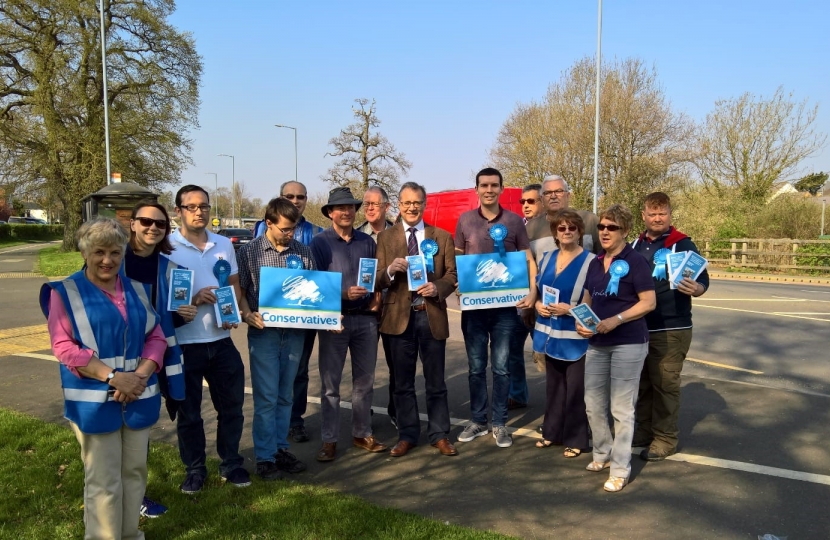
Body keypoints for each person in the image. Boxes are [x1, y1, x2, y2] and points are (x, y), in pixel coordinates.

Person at [41, 217, 167, 539]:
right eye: (99, 252)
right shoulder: (64, 292)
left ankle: (130, 535)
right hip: (94, 403)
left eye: (114, 252)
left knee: (135, 474)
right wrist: (114, 377)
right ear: (84, 253)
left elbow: (156, 337)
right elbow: (63, 346)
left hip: (137, 395)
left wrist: (138, 376)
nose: (107, 260)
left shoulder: (138, 290)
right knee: (104, 480)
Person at [167, 185, 250, 494]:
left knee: (232, 409)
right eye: (191, 207)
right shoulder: (166, 246)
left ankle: (231, 463)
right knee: (189, 414)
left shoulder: (223, 244)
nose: (199, 211)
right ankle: (195, 469)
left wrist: (234, 310)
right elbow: (164, 295)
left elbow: (233, 282)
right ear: (178, 211)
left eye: (203, 206)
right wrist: (195, 297)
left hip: (220, 340)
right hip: (184, 343)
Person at [575, 204, 656, 492]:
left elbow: (648, 302)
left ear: (625, 232)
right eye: (602, 227)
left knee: (622, 409)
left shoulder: (635, 262)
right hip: (597, 342)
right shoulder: (595, 262)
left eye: (612, 228)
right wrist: (582, 321)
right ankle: (602, 453)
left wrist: (616, 320)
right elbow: (587, 298)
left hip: (629, 343)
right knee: (594, 405)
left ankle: (620, 469)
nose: (605, 232)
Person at [125, 200, 198, 518]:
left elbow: (170, 322)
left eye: (160, 224)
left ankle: (135, 494)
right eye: (145, 221)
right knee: (116, 434)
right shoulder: (114, 260)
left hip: (154, 359)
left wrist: (184, 313)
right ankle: (122, 494)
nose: (153, 227)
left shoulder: (172, 271)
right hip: (115, 360)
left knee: (139, 429)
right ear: (132, 224)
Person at [455, 167, 537, 449]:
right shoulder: (465, 220)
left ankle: (499, 423)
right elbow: (457, 258)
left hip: (505, 310)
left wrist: (533, 290)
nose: (489, 190)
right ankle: (478, 420)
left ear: (502, 189)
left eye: (494, 185)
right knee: (476, 368)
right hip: (474, 309)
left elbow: (527, 259)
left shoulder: (515, 222)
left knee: (501, 369)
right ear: (476, 189)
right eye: (484, 185)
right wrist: (457, 283)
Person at [375, 182, 459, 458]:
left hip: (429, 314)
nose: (412, 207)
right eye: (407, 202)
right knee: (402, 383)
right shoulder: (386, 238)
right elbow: (374, 279)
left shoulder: (441, 237)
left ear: (424, 205)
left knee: (436, 381)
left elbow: (451, 275)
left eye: (417, 202)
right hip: (398, 318)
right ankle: (407, 435)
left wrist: (439, 288)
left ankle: (439, 434)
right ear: (399, 204)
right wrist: (389, 270)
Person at [237, 197, 316, 480]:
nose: (290, 234)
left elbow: (313, 291)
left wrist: (327, 315)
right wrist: (247, 315)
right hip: (264, 334)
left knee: (286, 395)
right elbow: (242, 292)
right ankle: (265, 457)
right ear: (268, 223)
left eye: (293, 229)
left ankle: (281, 449)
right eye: (285, 229)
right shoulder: (249, 252)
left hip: (294, 333)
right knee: (267, 397)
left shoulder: (304, 252)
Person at [631, 192, 709, 461]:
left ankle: (664, 439)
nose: (657, 218)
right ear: (644, 215)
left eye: (662, 213)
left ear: (670, 214)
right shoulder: (635, 244)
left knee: (665, 385)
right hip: (639, 326)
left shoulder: (683, 244)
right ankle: (643, 431)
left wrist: (697, 288)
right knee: (642, 384)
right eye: (652, 213)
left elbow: (703, 282)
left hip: (671, 328)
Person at [311, 187, 387, 462]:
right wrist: (342, 295)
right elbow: (314, 284)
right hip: (335, 320)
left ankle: (361, 433)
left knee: (364, 382)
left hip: (365, 319)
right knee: (330, 386)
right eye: (340, 208)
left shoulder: (368, 242)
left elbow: (376, 276)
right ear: (330, 212)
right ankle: (329, 440)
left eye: (350, 207)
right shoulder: (320, 243)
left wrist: (377, 300)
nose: (346, 212)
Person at [532, 209, 594, 457]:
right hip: (548, 335)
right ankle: (552, 432)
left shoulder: (592, 262)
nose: (567, 231)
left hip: (575, 336)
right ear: (555, 232)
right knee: (554, 388)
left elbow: (595, 302)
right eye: (562, 228)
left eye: (572, 228)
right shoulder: (546, 258)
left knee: (576, 390)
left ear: (580, 231)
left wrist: (570, 309)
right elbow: (536, 290)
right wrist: (536, 304)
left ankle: (577, 439)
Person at [276, 181, 324, 445]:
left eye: (301, 197)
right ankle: (274, 420)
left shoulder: (317, 233)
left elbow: (321, 276)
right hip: (271, 316)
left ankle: (295, 421)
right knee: (274, 371)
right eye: (289, 196)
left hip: (304, 316)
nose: (295, 201)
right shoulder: (263, 227)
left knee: (300, 371)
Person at [356, 185, 398, 427]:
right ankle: (364, 412)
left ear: (387, 207)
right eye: (367, 204)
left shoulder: (399, 233)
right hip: (365, 311)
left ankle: (396, 410)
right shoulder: (358, 235)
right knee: (365, 366)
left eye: (375, 204)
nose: (370, 208)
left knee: (396, 363)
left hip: (393, 308)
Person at [526, 175, 601, 262]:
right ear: (542, 199)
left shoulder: (590, 221)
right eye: (548, 193)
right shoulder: (531, 228)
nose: (553, 196)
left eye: (558, 191)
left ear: (568, 195)